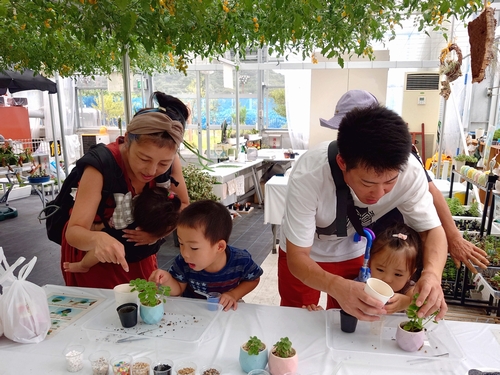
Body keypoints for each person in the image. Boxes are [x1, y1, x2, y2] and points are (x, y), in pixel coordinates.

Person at [279, 103, 448, 322]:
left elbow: (431, 230)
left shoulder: (410, 173)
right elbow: (297, 257)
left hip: (352, 248)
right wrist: (334, 285)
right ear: (342, 163)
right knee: (297, 317)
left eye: (389, 181)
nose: (378, 193)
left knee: (352, 317)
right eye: (367, 182)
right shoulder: (309, 175)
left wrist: (432, 275)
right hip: (303, 253)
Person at [322, 90, 489, 274]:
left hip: (390, 228)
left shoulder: (397, 155)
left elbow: (430, 190)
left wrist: (453, 236)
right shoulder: (346, 155)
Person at [62, 91, 190, 288]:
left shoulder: (172, 162)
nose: (151, 170)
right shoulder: (101, 167)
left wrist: (157, 234)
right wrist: (99, 238)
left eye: (163, 163)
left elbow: (183, 205)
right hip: (96, 255)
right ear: (128, 139)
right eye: (144, 159)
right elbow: (74, 232)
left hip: (140, 252)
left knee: (146, 302)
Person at [149, 200, 263, 311]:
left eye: (194, 248)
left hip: (225, 311)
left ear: (219, 247)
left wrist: (234, 294)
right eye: (181, 244)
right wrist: (167, 279)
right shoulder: (183, 262)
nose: (184, 253)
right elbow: (178, 289)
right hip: (193, 314)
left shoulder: (240, 260)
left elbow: (254, 279)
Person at [63, 186, 181, 273]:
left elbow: (110, 228)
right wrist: (156, 236)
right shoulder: (158, 230)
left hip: (125, 249)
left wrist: (97, 227)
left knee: (98, 249)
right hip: (147, 250)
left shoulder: (123, 227)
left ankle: (83, 265)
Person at [369, 223, 422, 314]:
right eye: (380, 269)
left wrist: (407, 303)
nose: (387, 279)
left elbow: (424, 305)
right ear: (370, 263)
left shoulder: (408, 289)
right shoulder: (364, 283)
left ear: (410, 273)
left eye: (398, 274)